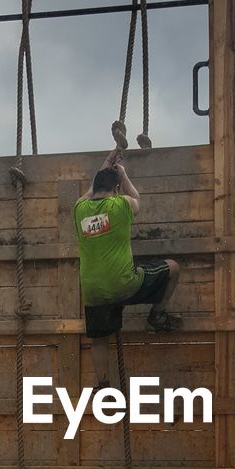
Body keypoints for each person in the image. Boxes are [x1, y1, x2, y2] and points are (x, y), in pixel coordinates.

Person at [73, 150, 181, 386]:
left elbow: (91, 192)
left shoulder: (79, 210)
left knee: (99, 340)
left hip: (94, 292)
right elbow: (137, 199)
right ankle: (157, 316)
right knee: (173, 268)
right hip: (124, 285)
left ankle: (102, 387)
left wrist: (105, 166)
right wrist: (122, 174)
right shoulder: (120, 205)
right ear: (115, 190)